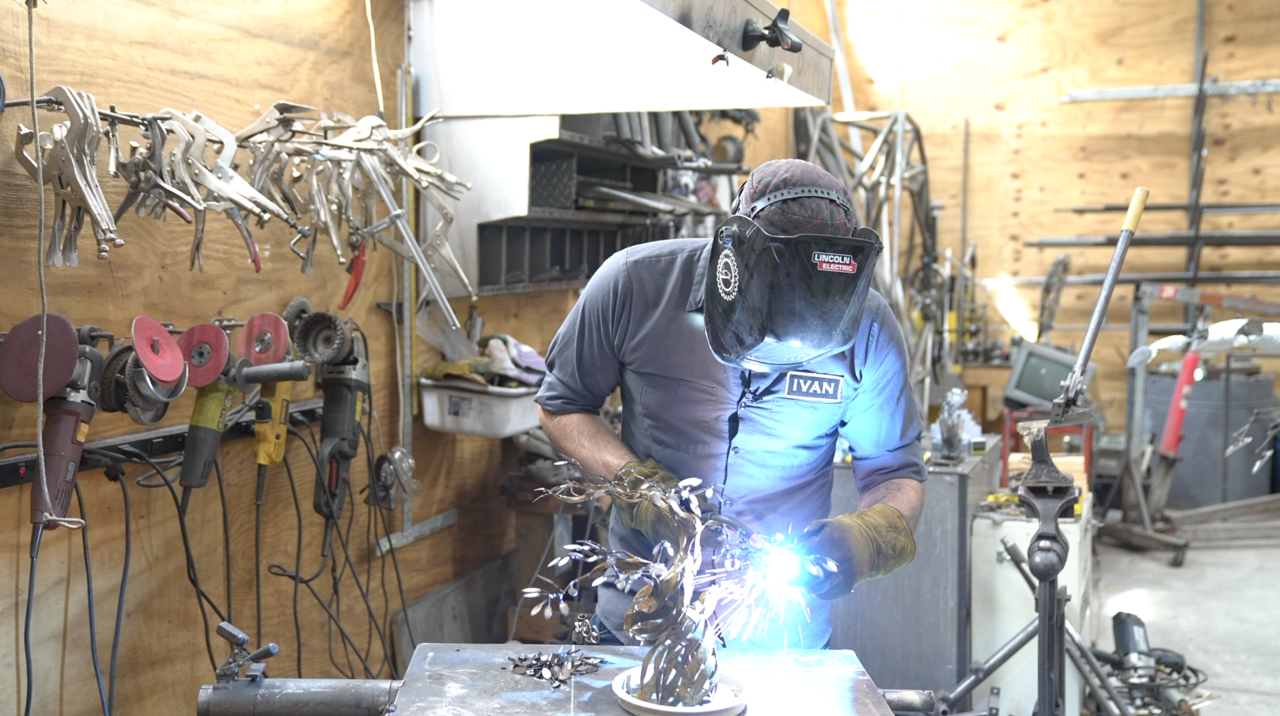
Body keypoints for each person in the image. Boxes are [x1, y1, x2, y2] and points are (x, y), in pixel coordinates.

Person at [535, 158, 925, 649]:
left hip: (784, 639)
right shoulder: (634, 286)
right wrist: (641, 489)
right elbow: (561, 406)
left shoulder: (869, 329)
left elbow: (895, 473)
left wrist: (869, 535)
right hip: (643, 624)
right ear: (734, 257)